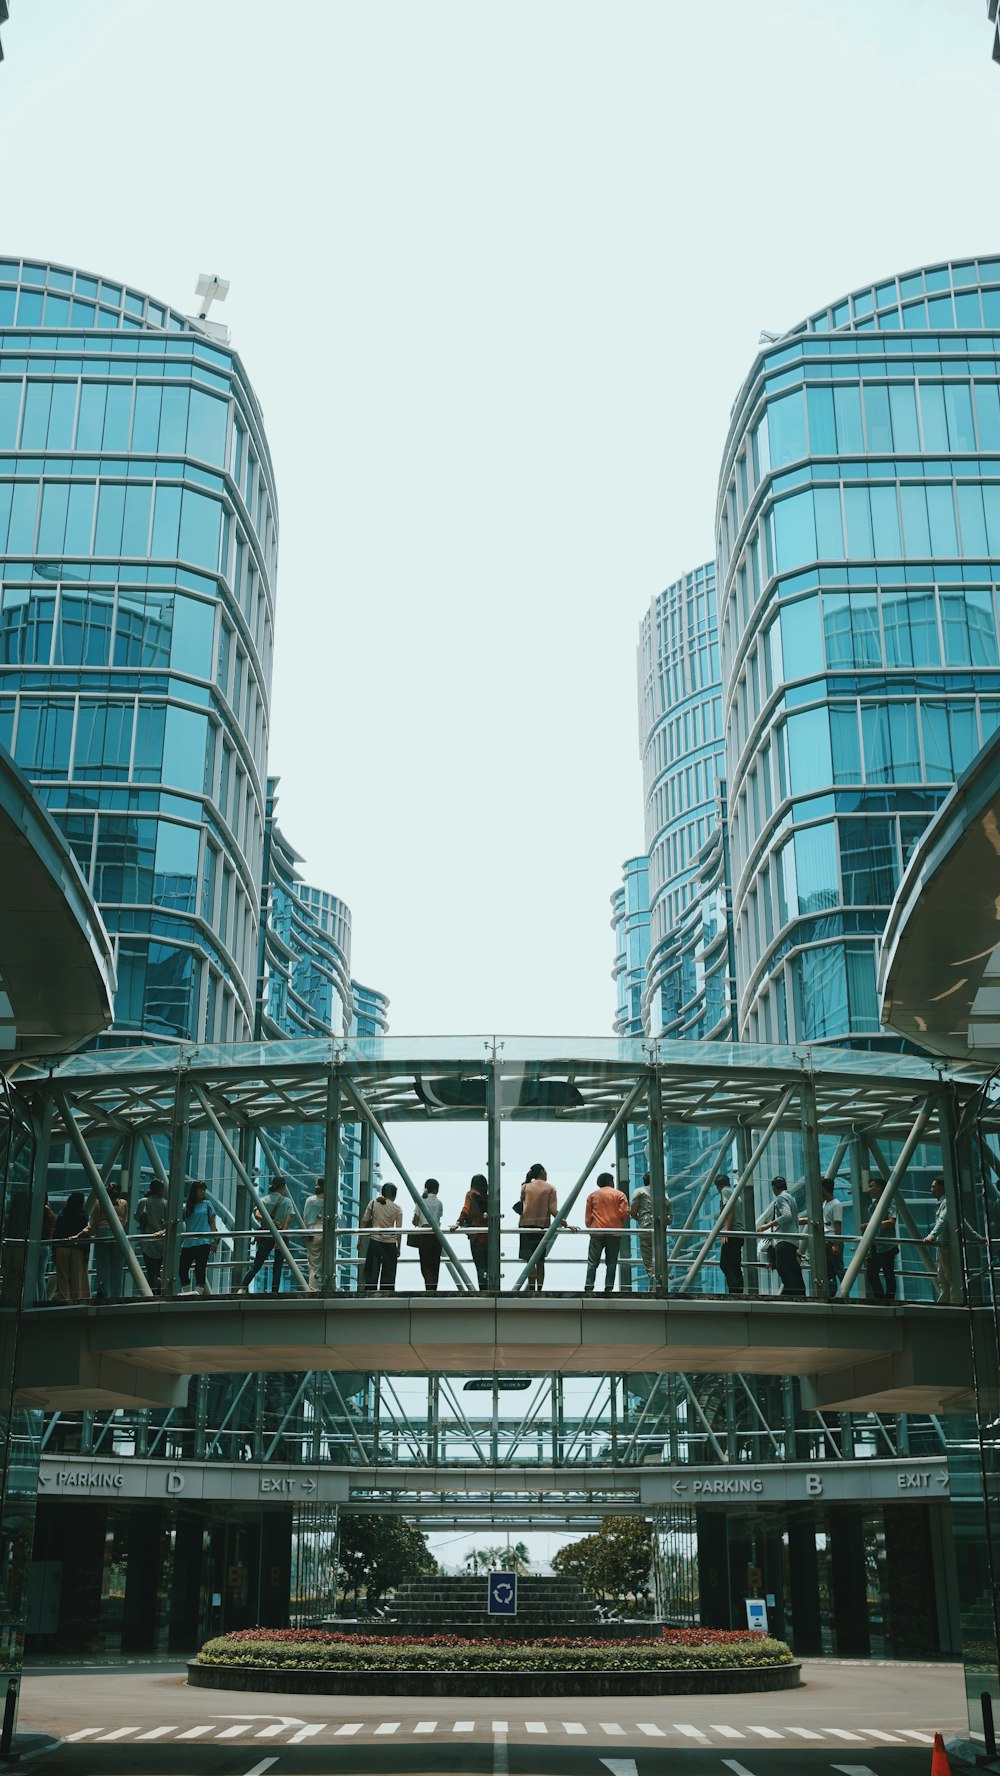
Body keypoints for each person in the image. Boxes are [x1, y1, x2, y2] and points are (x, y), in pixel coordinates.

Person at [238, 1176, 292, 1295]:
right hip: (281, 1234)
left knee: (257, 1264)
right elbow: (287, 1221)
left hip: (266, 1234)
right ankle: (274, 1291)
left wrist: (270, 1222)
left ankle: (241, 1288)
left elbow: (257, 1215)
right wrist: (280, 1236)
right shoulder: (287, 1201)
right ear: (282, 1187)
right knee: (277, 1266)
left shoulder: (263, 1200)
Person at [756, 1175, 805, 1297]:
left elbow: (786, 1216)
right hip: (792, 1241)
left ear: (774, 1188)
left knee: (785, 1272)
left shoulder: (781, 1198)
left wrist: (767, 1226)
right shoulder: (790, 1198)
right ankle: (800, 1297)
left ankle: (792, 1299)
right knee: (794, 1272)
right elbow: (793, 1218)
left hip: (783, 1241)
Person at [584, 1171, 630, 1294]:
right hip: (614, 1232)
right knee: (611, 1262)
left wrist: (591, 1227)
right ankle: (608, 1287)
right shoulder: (620, 1195)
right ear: (610, 1181)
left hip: (597, 1232)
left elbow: (588, 1219)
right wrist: (617, 1221)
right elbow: (624, 1213)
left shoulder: (592, 1196)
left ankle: (589, 1286)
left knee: (593, 1262)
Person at [516, 1163, 557, 1293]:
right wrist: (566, 1223)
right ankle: (539, 1289)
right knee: (540, 1261)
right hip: (541, 1228)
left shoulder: (525, 1187)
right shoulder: (550, 1188)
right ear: (542, 1172)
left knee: (530, 1261)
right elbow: (553, 1210)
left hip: (525, 1226)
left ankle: (531, 1288)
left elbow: (523, 1206)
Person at [628, 1170, 671, 1291]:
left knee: (648, 1259)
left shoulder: (639, 1192)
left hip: (646, 1228)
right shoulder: (665, 1195)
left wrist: (640, 1219)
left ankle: (653, 1285)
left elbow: (632, 1212)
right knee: (661, 1259)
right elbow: (669, 1219)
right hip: (660, 1231)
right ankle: (661, 1285)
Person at [88, 1180, 129, 1300]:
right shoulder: (124, 1203)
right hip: (118, 1235)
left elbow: (94, 1220)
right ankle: (116, 1295)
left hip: (102, 1235)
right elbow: (125, 1220)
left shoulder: (100, 1202)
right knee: (117, 1266)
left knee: (103, 1266)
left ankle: (103, 1293)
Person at [360, 1182, 402, 1293]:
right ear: (394, 1195)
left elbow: (364, 1222)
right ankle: (387, 1298)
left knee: (371, 1274)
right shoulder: (397, 1208)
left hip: (375, 1242)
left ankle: (370, 1296)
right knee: (388, 1275)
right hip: (390, 1244)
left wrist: (359, 1240)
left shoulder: (373, 1203)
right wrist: (398, 1247)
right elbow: (398, 1231)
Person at [179, 1180, 218, 1295]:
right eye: (200, 1189)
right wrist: (164, 1231)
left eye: (204, 1189)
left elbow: (212, 1224)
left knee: (200, 1270)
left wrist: (215, 1241)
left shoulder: (207, 1204)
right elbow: (176, 1223)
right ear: (194, 1191)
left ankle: (198, 1294)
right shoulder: (187, 1207)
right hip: (188, 1243)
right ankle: (187, 1293)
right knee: (182, 1270)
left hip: (203, 1242)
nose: (203, 1192)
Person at [52, 1191, 90, 1303]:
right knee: (76, 1276)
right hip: (77, 1249)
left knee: (62, 1275)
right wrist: (86, 1252)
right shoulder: (83, 1215)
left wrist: (54, 1250)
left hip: (62, 1247)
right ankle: (76, 1299)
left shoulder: (62, 1214)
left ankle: (63, 1298)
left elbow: (56, 1232)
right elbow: (86, 1235)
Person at [863, 1178, 898, 1301]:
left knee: (888, 1273)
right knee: (872, 1273)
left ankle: (888, 1298)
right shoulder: (873, 1205)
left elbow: (891, 1221)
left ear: (880, 1187)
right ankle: (881, 1298)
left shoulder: (889, 1202)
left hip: (886, 1244)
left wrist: (871, 1225)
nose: (869, 1189)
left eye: (871, 1186)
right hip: (876, 1244)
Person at [454, 1174, 490, 1290]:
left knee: (480, 1267)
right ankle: (492, 1289)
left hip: (477, 1237)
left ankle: (483, 1291)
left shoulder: (471, 1195)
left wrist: (458, 1223)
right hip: (490, 1238)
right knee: (490, 1266)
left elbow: (466, 1209)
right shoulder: (489, 1198)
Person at [134, 1177, 167, 1295]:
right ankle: (158, 1289)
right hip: (162, 1241)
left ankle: (150, 1292)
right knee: (159, 1268)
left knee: (150, 1269)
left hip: (147, 1241)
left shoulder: (143, 1202)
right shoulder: (165, 1203)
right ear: (160, 1190)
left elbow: (137, 1217)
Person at [924, 1176, 952, 1304]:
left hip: (945, 1245)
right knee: (942, 1276)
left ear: (942, 1188)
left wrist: (931, 1236)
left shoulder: (947, 1202)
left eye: (934, 1186)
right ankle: (945, 1302)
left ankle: (953, 1302)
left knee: (948, 1275)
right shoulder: (943, 1203)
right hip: (941, 1245)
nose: (931, 1190)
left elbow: (942, 1221)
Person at [412, 1178, 443, 1292]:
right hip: (436, 1236)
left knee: (425, 1263)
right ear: (437, 1189)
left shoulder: (420, 1201)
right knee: (435, 1263)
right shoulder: (439, 1203)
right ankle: (433, 1288)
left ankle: (428, 1287)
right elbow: (438, 1218)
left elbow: (415, 1221)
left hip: (424, 1235)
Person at [716, 1174, 744, 1295]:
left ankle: (734, 1291)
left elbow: (730, 1212)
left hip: (732, 1233)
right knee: (735, 1264)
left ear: (718, 1186)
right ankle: (739, 1291)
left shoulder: (725, 1192)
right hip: (738, 1233)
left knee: (725, 1264)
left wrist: (726, 1232)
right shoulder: (734, 1193)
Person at [821, 1178, 845, 1299]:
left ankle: (845, 1293)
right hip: (826, 1242)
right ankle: (832, 1295)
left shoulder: (836, 1204)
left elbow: (838, 1226)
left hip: (832, 1242)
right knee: (829, 1271)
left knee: (838, 1269)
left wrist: (836, 1244)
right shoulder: (825, 1204)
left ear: (823, 1189)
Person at [303, 1178, 325, 1293]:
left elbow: (305, 1218)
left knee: (313, 1264)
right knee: (327, 1261)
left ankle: (313, 1288)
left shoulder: (310, 1200)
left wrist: (307, 1231)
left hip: (313, 1231)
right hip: (327, 1232)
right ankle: (327, 1286)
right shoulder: (330, 1201)